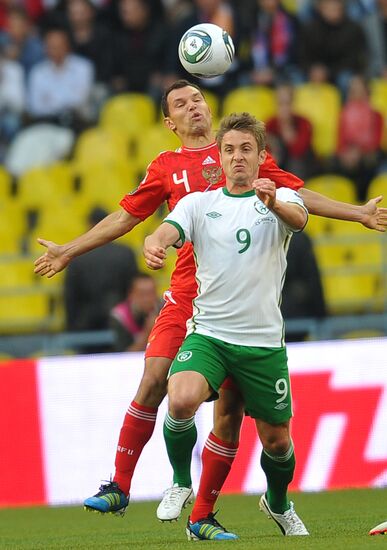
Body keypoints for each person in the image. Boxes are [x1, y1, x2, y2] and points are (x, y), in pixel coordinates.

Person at [34, 80, 387, 523]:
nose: (193, 107)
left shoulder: (238, 152)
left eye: (197, 99)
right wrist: (69, 249)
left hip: (236, 305)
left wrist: (356, 212)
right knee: (155, 379)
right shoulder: (166, 166)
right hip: (186, 297)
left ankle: (206, 512)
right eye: (181, 104)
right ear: (169, 122)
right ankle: (123, 485)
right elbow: (127, 217)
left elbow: (297, 197)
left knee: (230, 418)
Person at [143, 112, 309, 540]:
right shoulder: (200, 203)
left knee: (277, 443)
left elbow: (300, 219)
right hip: (210, 335)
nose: (237, 157)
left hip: (262, 344)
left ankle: (277, 502)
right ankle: (182, 483)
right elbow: (166, 230)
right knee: (179, 399)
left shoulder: (283, 196)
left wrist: (272, 202)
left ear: (261, 156)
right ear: (219, 157)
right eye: (230, 150)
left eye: (246, 149)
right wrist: (154, 243)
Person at [64, 207, 139, 337]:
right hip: (119, 320)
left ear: (90, 224)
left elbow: (70, 294)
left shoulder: (77, 256)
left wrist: (71, 326)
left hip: (85, 324)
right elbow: (133, 288)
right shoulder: (125, 253)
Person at [109, 272, 161, 352]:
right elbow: (124, 356)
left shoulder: (164, 310)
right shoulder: (120, 317)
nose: (147, 299)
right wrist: (148, 332)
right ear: (131, 294)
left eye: (151, 293)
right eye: (142, 294)